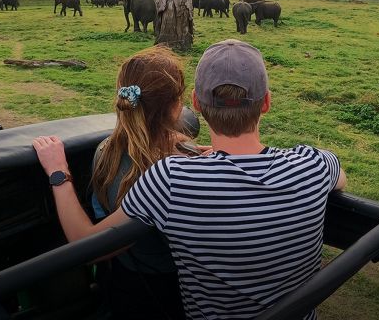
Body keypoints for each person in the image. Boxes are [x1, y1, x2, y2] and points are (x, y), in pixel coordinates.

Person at [34, 39, 346, 320]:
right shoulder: (314, 164)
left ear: (196, 103)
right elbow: (340, 178)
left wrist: (59, 174)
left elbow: (86, 243)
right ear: (265, 102)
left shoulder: (168, 179)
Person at [62, 45, 199, 320]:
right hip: (180, 288)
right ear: (175, 106)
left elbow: (91, 246)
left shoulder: (106, 154)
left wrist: (58, 173)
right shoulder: (186, 157)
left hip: (131, 284)